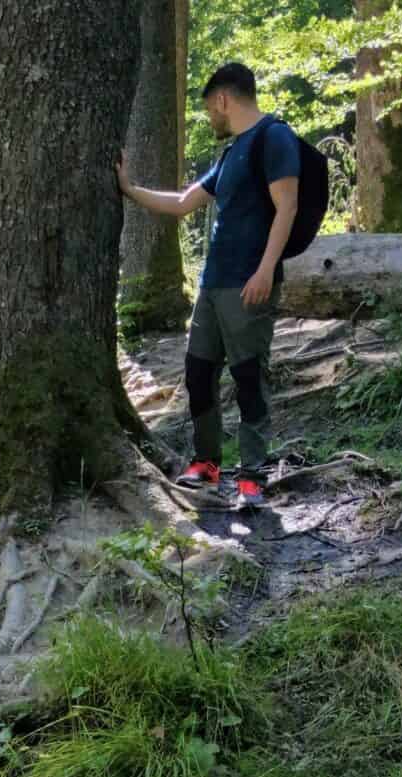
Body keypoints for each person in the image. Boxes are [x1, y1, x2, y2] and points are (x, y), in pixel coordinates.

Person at [115, 61, 302, 509]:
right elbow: (183, 203)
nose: (209, 119)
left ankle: (252, 476)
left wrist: (264, 269)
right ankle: (207, 463)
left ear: (223, 99)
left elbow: (288, 207)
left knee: (248, 377)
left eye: (208, 110)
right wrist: (129, 187)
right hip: (213, 286)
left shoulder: (274, 138)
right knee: (199, 374)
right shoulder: (230, 153)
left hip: (248, 285)